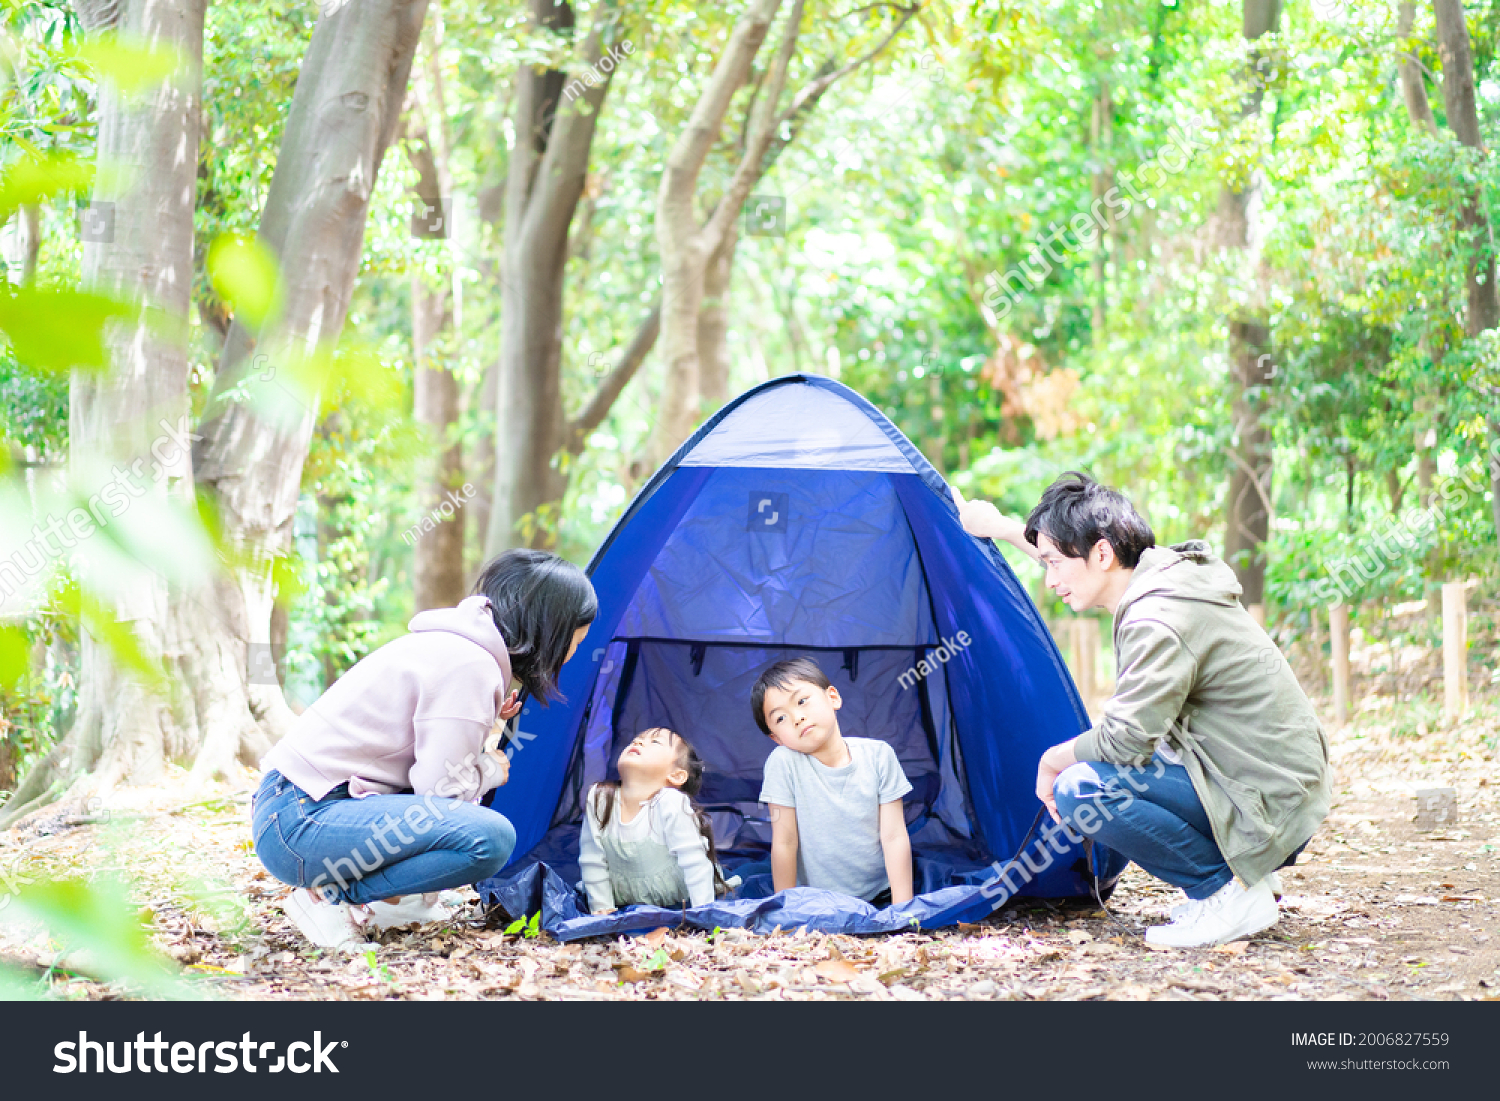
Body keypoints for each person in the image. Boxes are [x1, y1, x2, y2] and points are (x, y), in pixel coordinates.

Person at [954, 473, 1330, 948]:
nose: (1049, 580)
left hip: (1267, 799)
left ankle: (1224, 892)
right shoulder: (1160, 578)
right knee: (1110, 767)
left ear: (1103, 554)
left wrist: (1052, 759)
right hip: (1274, 782)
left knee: (1081, 788)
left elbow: (1126, 741)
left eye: (1054, 563)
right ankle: (1242, 879)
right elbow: (1078, 569)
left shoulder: (1157, 619)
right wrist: (1006, 529)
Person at [251, 549, 597, 950]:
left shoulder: (457, 649)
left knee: (460, 824)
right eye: (576, 641)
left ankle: (399, 903)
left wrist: (485, 725)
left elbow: (420, 768)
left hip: (294, 808)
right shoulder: (471, 667)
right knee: (491, 838)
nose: (571, 655)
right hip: (300, 821)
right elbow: (441, 798)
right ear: (551, 630)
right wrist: (490, 768)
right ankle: (327, 899)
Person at [752, 657, 914, 906]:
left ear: (833, 698)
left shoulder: (879, 755)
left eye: (802, 701)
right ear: (777, 738)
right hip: (818, 900)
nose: (796, 717)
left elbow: (894, 836)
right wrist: (785, 909)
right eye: (781, 718)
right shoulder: (783, 763)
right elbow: (785, 841)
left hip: (879, 892)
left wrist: (903, 908)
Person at [577, 727, 727, 914]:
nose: (638, 742)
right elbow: (592, 860)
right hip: (623, 896)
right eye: (636, 739)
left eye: (655, 742)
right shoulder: (599, 798)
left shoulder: (670, 803)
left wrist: (702, 914)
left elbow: (694, 863)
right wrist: (603, 908)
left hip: (675, 897)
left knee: (748, 876)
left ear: (677, 775)